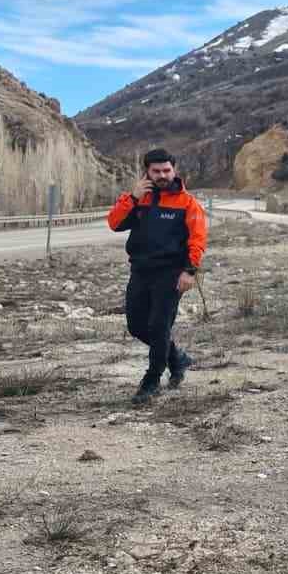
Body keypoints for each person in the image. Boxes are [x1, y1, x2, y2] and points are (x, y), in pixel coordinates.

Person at [107, 148, 207, 403]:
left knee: (159, 326)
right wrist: (132, 196)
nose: (162, 175)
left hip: (171, 274)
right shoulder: (139, 199)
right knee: (137, 326)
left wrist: (189, 271)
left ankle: (151, 380)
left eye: (166, 170)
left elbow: (198, 240)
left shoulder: (188, 203)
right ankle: (177, 358)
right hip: (140, 271)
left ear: (174, 170)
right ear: (147, 173)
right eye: (156, 171)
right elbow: (115, 223)